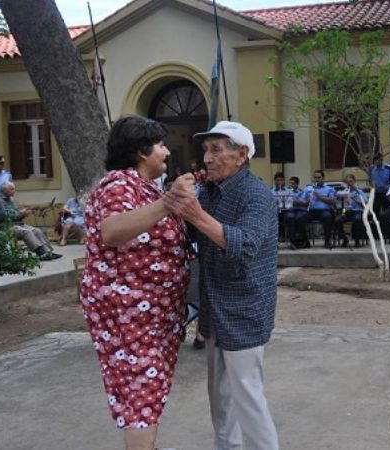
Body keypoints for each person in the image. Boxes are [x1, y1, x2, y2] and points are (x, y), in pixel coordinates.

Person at [78, 115, 194, 449]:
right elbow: (112, 231)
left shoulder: (144, 188)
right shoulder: (118, 184)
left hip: (151, 313)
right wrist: (169, 201)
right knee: (141, 388)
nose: (167, 152)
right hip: (128, 312)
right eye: (160, 145)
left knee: (147, 387)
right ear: (141, 152)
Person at [163, 120, 279, 450]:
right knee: (220, 401)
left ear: (241, 154)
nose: (207, 158)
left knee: (248, 399)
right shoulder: (211, 192)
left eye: (217, 150)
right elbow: (191, 236)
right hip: (214, 312)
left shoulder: (257, 196)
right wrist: (177, 200)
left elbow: (244, 245)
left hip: (244, 311)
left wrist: (196, 213)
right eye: (205, 150)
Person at [0, 182, 61, 261]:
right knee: (26, 232)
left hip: (17, 223)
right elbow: (2, 216)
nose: (14, 191)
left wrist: (23, 214)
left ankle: (48, 252)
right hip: (5, 226)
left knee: (37, 230)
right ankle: (41, 253)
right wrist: (21, 213)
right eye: (12, 189)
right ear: (4, 190)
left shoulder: (9, 199)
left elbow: (15, 212)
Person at [299, 169, 337, 248]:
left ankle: (327, 241)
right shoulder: (308, 188)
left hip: (325, 211)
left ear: (323, 178)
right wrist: (306, 201)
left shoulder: (329, 189)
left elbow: (332, 201)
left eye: (319, 178)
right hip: (312, 211)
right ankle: (305, 242)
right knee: (300, 218)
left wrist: (319, 196)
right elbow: (302, 201)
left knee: (328, 217)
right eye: (315, 178)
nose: (317, 179)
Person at [334, 173, 368, 247]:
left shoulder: (360, 192)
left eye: (351, 181)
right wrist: (344, 195)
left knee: (357, 220)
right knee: (337, 220)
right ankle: (344, 238)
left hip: (357, 211)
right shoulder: (344, 192)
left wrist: (355, 198)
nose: (349, 183)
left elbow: (365, 204)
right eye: (347, 182)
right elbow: (336, 196)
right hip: (346, 211)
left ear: (354, 181)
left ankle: (357, 241)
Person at [285, 176, 309, 249]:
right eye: (290, 183)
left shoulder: (302, 191)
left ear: (297, 184)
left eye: (293, 183)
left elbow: (305, 202)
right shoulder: (286, 192)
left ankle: (303, 240)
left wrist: (295, 201)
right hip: (291, 210)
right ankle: (293, 241)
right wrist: (298, 201)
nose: (291, 185)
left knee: (300, 218)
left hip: (301, 210)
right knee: (290, 217)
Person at [270, 172, 292, 241]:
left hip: (286, 211)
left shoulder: (289, 191)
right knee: (276, 217)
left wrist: (284, 201)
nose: (279, 182)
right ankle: (278, 236)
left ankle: (289, 236)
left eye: (281, 180)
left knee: (290, 217)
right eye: (277, 180)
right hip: (274, 211)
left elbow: (290, 203)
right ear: (274, 181)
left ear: (284, 181)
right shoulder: (270, 191)